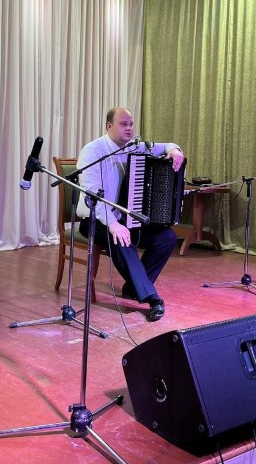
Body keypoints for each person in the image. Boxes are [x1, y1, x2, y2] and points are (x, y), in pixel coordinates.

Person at [77, 107, 185, 321]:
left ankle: (133, 288)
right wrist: (112, 224)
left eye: (131, 124)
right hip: (95, 219)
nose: (129, 128)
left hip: (125, 218)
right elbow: (92, 194)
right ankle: (152, 298)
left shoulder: (135, 147)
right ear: (109, 126)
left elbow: (166, 146)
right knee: (122, 239)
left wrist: (174, 151)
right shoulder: (92, 151)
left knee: (167, 238)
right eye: (123, 124)